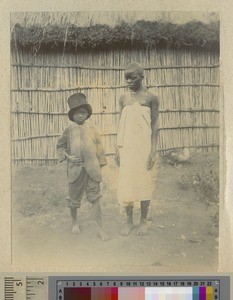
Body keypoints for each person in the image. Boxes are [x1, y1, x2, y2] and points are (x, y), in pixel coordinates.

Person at [56, 93, 109, 241]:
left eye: (83, 113)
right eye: (77, 113)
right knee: (74, 199)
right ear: (72, 115)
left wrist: (101, 167)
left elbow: (99, 148)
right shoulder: (68, 130)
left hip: (92, 170)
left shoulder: (92, 129)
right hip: (75, 170)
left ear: (87, 114)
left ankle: (100, 229)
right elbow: (60, 147)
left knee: (95, 198)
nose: (80, 116)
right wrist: (69, 157)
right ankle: (74, 222)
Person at [115, 62, 159, 236]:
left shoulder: (151, 98)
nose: (128, 81)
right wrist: (117, 148)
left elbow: (155, 125)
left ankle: (143, 221)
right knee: (127, 183)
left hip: (143, 147)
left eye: (132, 78)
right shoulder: (123, 98)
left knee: (143, 182)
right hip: (126, 147)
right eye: (126, 78)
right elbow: (120, 123)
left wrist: (153, 151)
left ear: (142, 77)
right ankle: (129, 222)